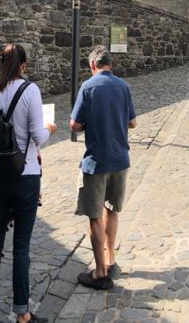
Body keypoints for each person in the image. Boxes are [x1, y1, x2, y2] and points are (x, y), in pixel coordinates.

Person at [0, 43, 55, 323]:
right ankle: (22, 314)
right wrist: (49, 128)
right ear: (23, 65)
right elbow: (37, 136)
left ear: (1, 63)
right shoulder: (29, 90)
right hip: (25, 175)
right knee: (21, 246)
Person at [70, 45, 137, 291]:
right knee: (113, 209)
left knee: (94, 215)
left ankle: (99, 273)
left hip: (96, 161)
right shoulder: (124, 87)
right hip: (120, 160)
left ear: (92, 66)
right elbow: (133, 122)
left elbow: (75, 125)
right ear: (110, 65)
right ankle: (110, 260)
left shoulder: (87, 87)